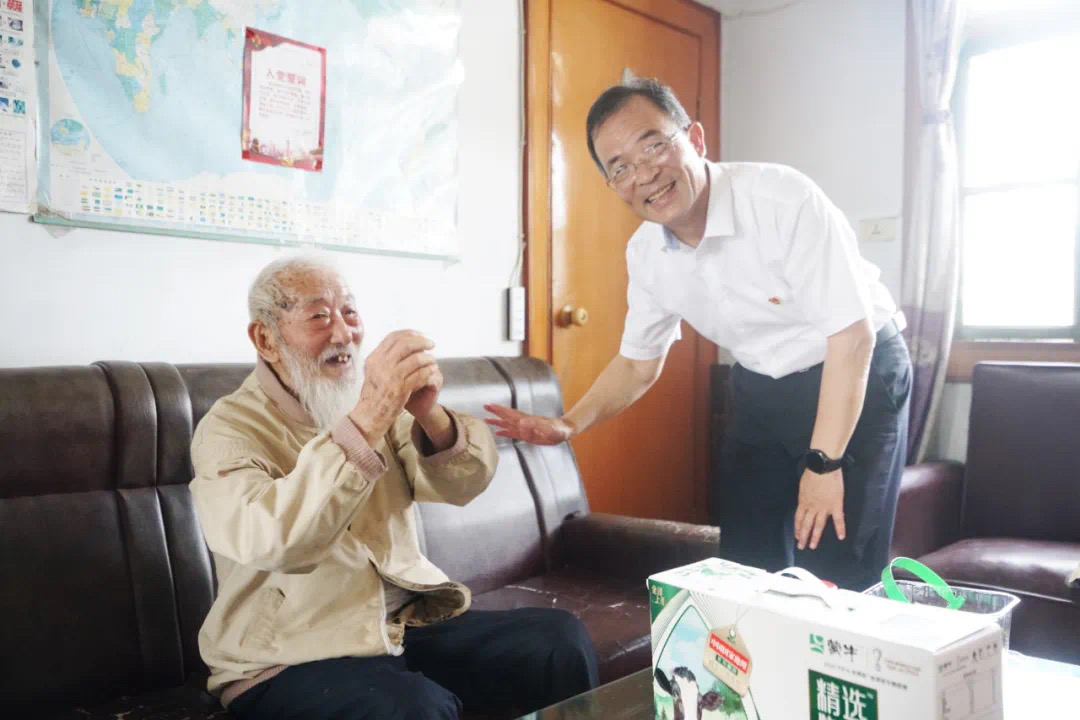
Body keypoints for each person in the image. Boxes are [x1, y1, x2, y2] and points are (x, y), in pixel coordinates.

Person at [485, 78, 911, 591]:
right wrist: (569, 423)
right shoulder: (646, 254)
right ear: (613, 186)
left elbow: (852, 337)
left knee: (835, 574)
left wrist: (823, 465)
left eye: (653, 146)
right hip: (760, 380)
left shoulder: (781, 199)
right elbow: (638, 363)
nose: (644, 174)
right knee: (745, 567)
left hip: (855, 370)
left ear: (696, 139)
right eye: (620, 167)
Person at [190, 256, 598, 719]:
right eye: (319, 316)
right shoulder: (228, 429)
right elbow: (274, 540)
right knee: (414, 709)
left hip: (395, 626)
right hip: (289, 652)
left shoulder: (362, 403)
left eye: (350, 312)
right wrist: (367, 420)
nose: (343, 333)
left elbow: (464, 484)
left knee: (556, 642)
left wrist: (428, 413)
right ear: (266, 339)